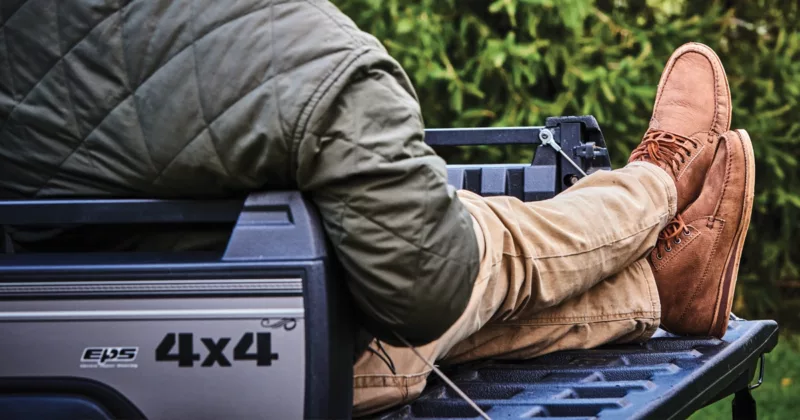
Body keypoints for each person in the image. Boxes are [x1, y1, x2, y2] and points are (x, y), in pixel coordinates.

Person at [0, 1, 754, 416]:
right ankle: (656, 183)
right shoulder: (312, 58)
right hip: (277, 378)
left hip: (65, 353)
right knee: (470, 240)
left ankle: (662, 288)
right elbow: (429, 291)